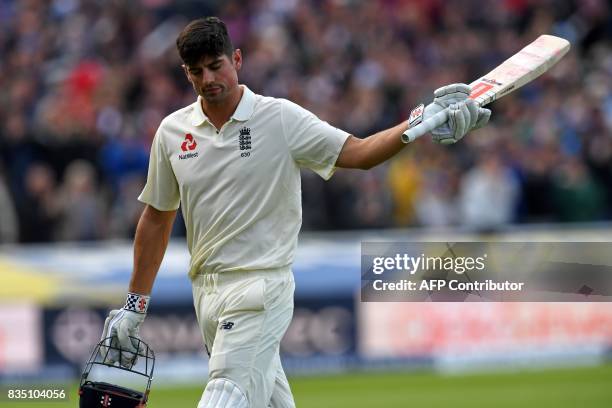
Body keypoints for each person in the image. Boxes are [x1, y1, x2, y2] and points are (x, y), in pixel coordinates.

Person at [100, 17, 490, 408]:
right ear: (186, 73)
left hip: (260, 287)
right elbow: (156, 219)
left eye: (216, 65)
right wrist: (135, 306)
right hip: (206, 293)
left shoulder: (280, 118)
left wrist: (421, 122)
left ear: (236, 59)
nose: (208, 78)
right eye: (197, 71)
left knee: (225, 396)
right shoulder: (172, 132)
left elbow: (358, 152)